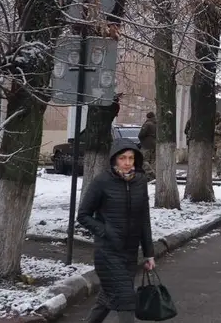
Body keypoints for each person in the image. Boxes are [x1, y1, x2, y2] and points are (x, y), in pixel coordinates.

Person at [78, 138, 155, 323]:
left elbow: (144, 218)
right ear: (114, 160)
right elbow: (83, 215)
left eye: (131, 158)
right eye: (122, 158)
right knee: (127, 300)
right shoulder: (102, 182)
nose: (127, 163)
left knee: (107, 299)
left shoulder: (140, 181)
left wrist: (149, 253)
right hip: (107, 252)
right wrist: (106, 231)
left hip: (129, 253)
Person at [137, 112, 157, 180]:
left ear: (147, 117)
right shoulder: (157, 124)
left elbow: (141, 135)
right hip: (155, 145)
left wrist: (142, 141)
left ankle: (151, 174)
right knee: (152, 161)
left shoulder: (147, 124)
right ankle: (151, 176)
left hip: (146, 145)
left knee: (143, 160)